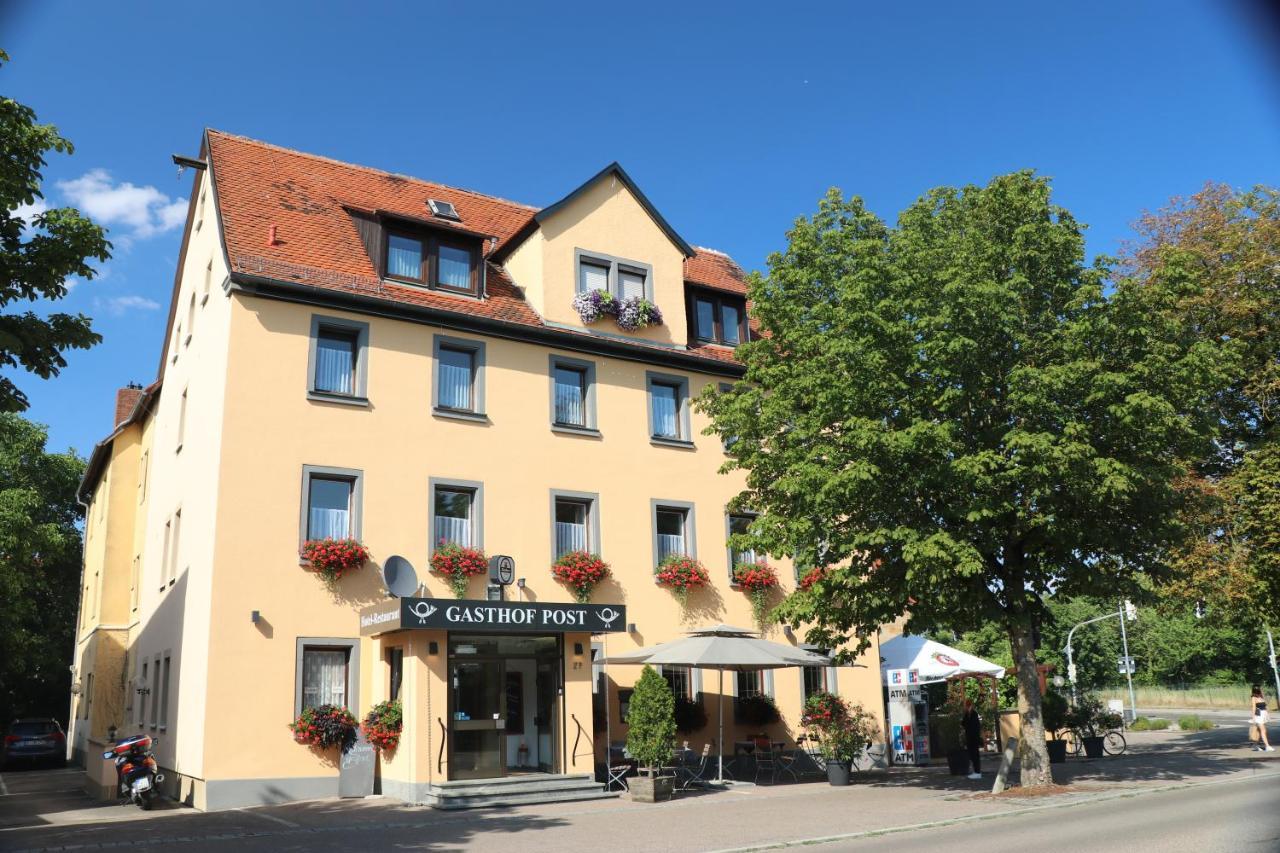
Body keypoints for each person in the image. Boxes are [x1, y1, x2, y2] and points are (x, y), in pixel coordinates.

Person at [961, 698, 982, 779]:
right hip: (970, 737)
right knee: (972, 755)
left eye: (966, 706)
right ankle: (976, 771)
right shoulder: (968, 714)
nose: (966, 707)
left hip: (974, 737)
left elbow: (972, 726)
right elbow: (964, 723)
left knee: (975, 755)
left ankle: (977, 772)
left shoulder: (973, 714)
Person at [1250, 685, 1274, 752]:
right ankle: (1267, 746)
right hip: (1258, 716)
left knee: (1258, 731)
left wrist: (1268, 714)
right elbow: (1253, 708)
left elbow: (1265, 706)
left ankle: (1255, 745)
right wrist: (1253, 718)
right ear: (1257, 690)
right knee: (1263, 731)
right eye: (1260, 689)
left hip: (1263, 715)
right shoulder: (1253, 698)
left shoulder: (1261, 696)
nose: (1262, 689)